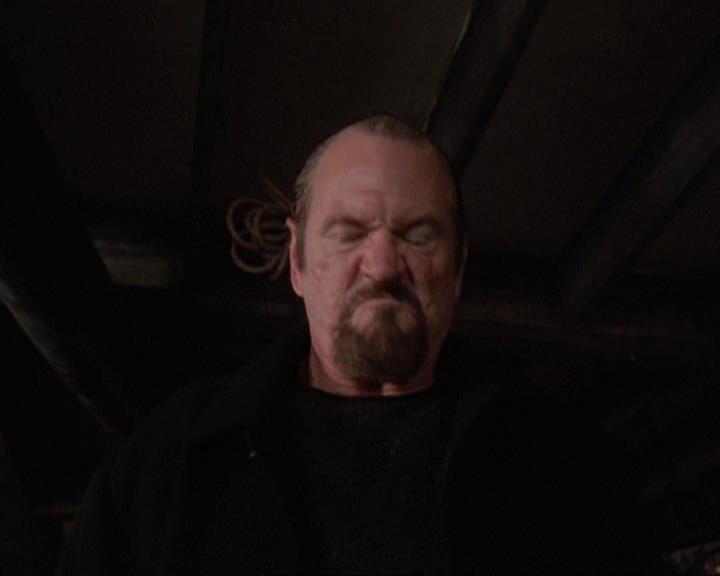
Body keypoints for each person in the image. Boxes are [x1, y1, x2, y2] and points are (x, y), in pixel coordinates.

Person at [57, 114, 646, 575]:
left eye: (419, 235)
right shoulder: (171, 462)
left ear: (458, 269)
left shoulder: (561, 463)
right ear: (297, 261)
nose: (383, 264)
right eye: (349, 233)